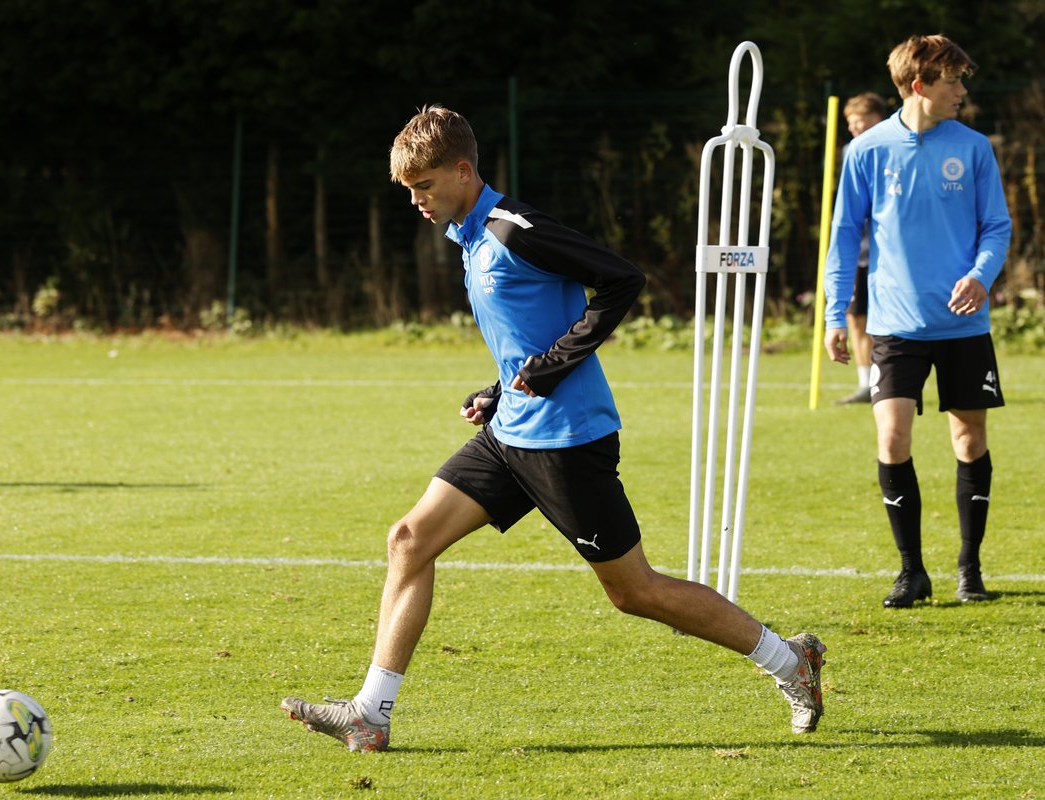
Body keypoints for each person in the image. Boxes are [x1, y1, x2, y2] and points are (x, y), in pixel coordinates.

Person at [281, 105, 826, 752]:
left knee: (635, 591)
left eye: (424, 185)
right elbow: (528, 330)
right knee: (408, 539)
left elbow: (621, 279)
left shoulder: (516, 230)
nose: (417, 202)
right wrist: (499, 389)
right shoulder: (471, 236)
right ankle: (372, 714)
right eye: (409, 191)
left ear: (463, 171)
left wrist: (552, 367)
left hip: (568, 441)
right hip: (511, 433)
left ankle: (791, 660)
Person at [823, 35, 1011, 607]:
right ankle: (912, 571)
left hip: (963, 326)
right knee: (892, 436)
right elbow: (843, 236)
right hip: (894, 325)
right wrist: (834, 314)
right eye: (953, 80)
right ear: (921, 84)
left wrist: (981, 275)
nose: (962, 91)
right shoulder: (867, 151)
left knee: (968, 437)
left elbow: (996, 227)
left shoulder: (974, 148)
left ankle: (969, 569)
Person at [835, 92, 888, 405]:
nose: (855, 130)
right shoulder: (851, 151)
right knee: (856, 317)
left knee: (885, 318)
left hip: (887, 251)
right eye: (851, 125)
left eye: (861, 124)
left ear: (877, 120)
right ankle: (864, 383)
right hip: (858, 249)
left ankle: (890, 379)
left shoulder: (894, 148)